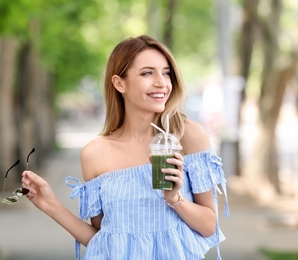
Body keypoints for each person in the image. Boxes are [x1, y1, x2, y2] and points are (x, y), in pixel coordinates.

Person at [22, 35, 229, 259]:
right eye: (147, 73)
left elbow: (209, 226)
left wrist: (174, 198)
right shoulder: (96, 153)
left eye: (166, 72)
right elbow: (103, 240)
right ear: (119, 83)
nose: (161, 82)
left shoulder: (187, 136)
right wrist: (51, 205)